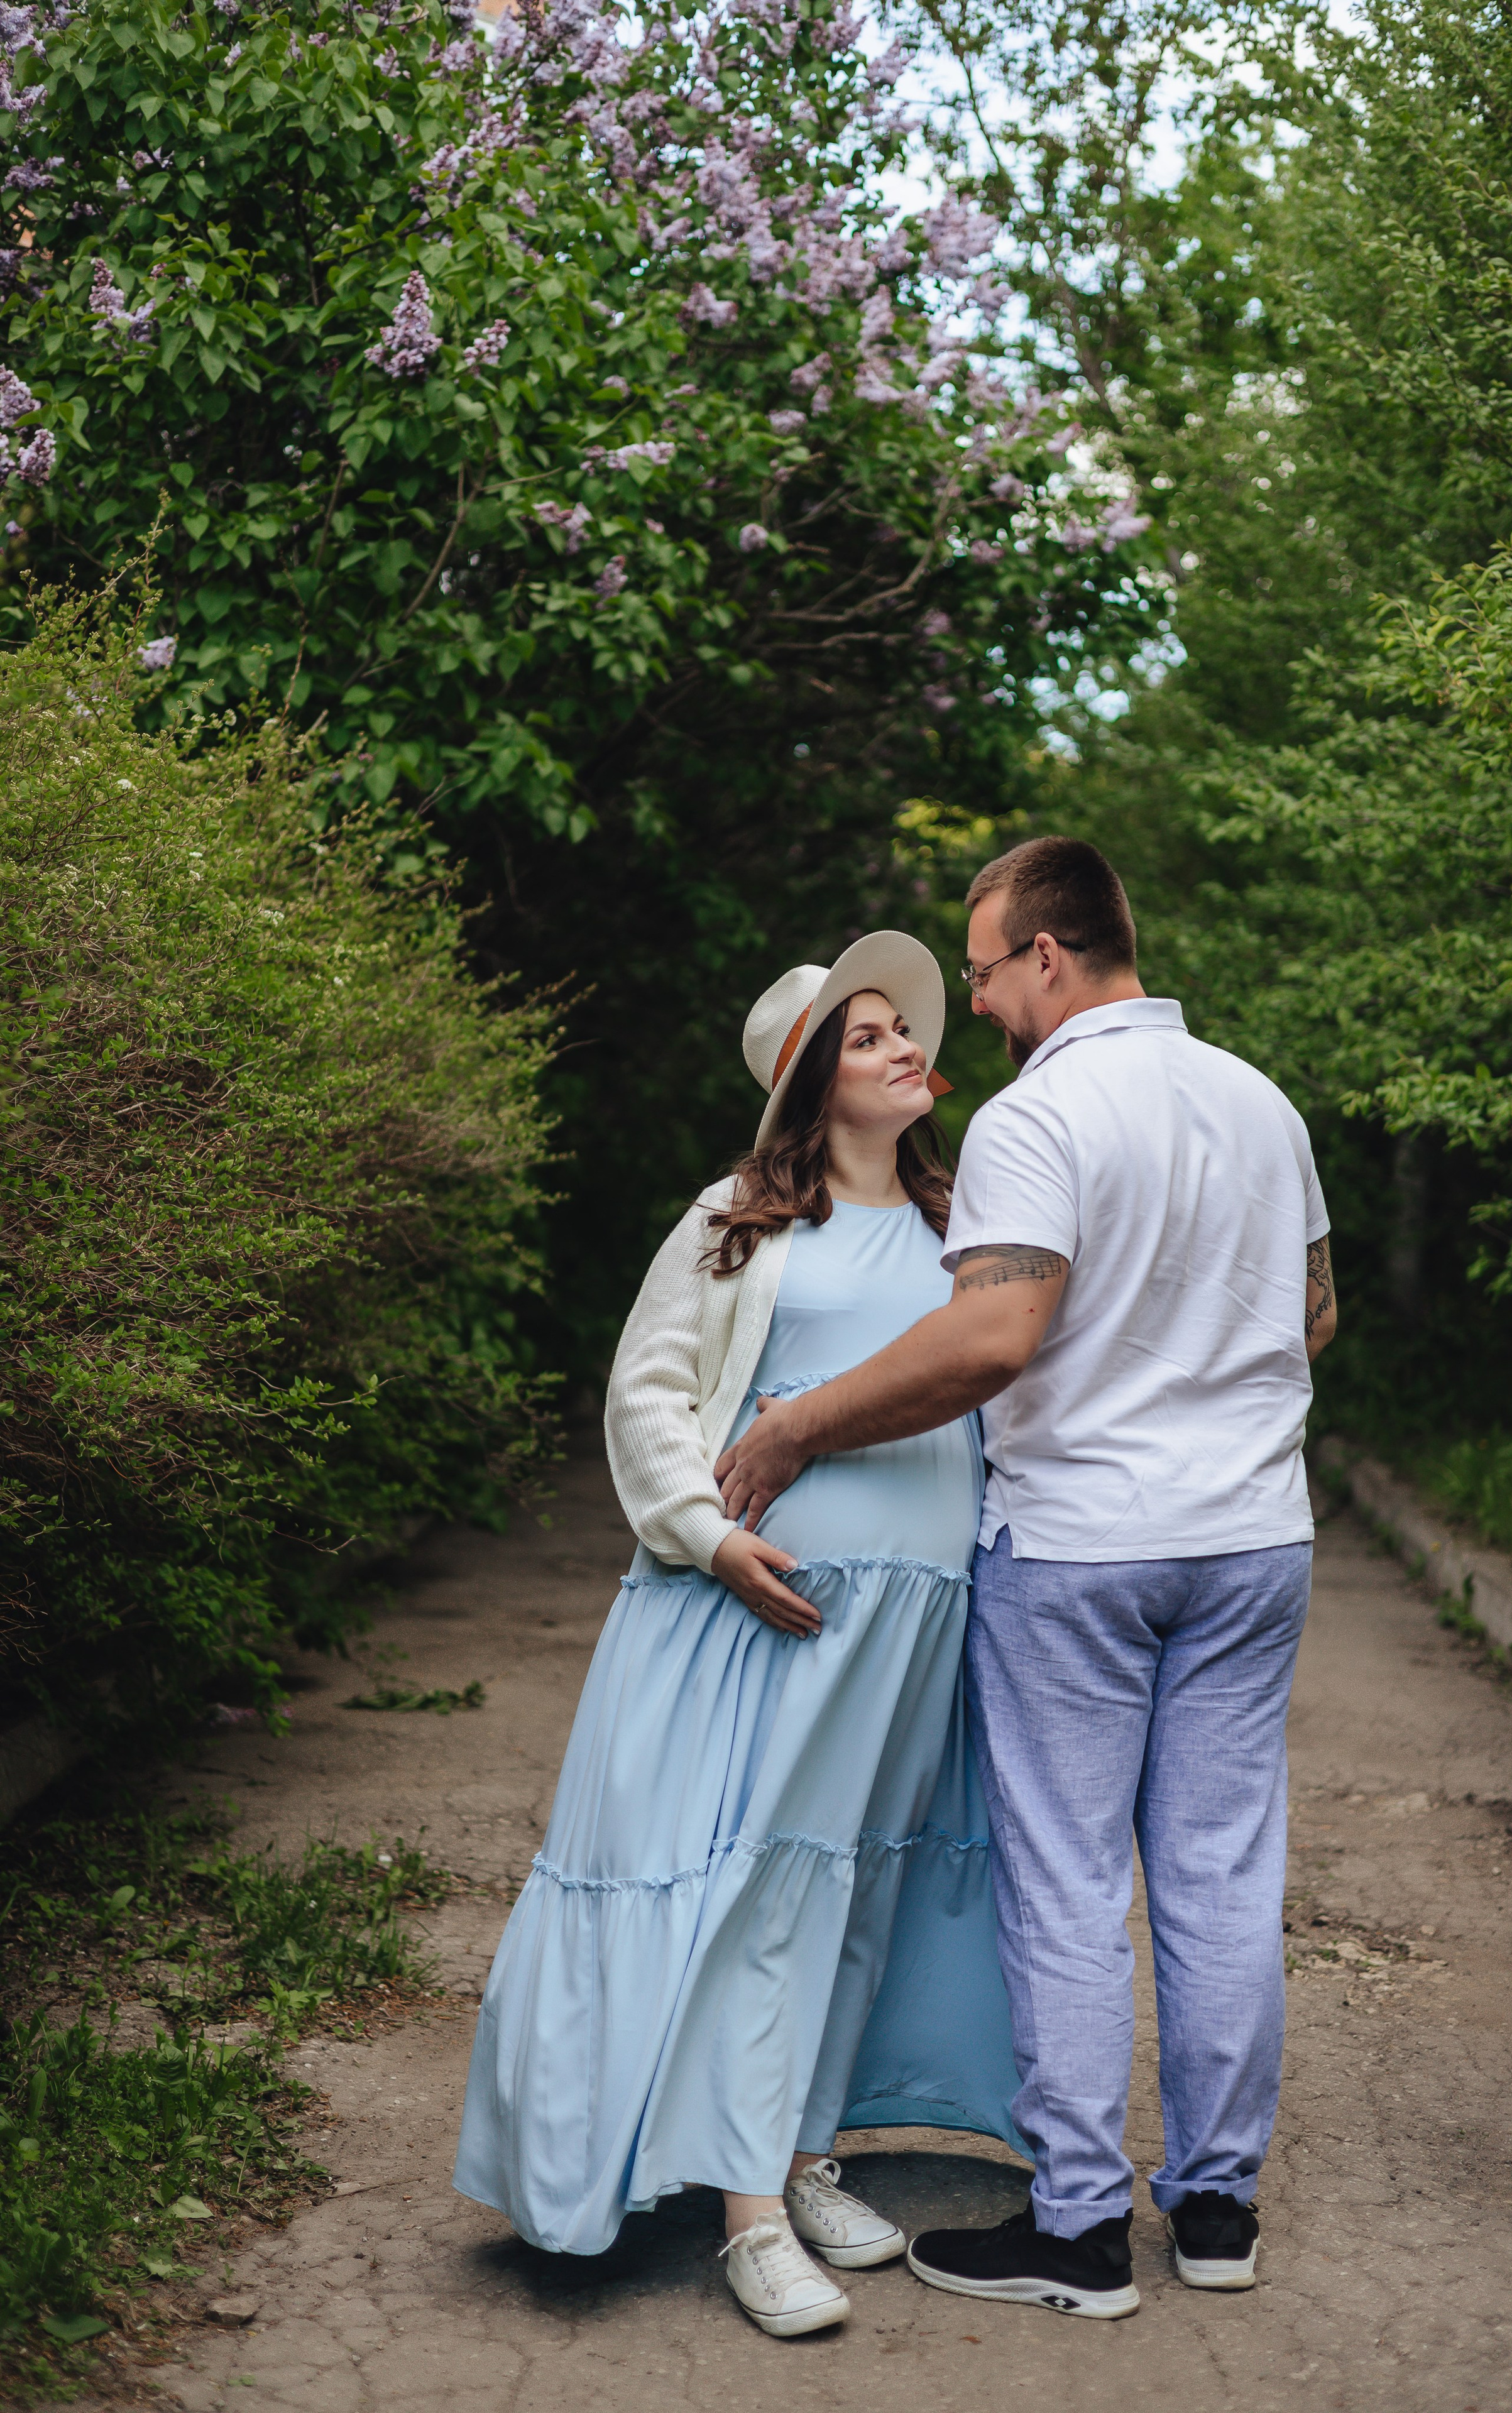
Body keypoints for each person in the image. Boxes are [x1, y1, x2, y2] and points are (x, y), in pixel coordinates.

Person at [718, 837, 1337, 2321]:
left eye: (985, 968)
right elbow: (1311, 1316)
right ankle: (1213, 2212)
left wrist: (797, 1422)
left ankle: (1072, 2233)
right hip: (1253, 1537)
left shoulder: (1036, 1113)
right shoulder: (1259, 1101)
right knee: (1219, 1871)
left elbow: (988, 1342)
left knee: (1064, 1881)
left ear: (1046, 957)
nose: (977, 1001)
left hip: (1079, 1548)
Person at [453, 931, 1021, 2341]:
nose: (902, 1047)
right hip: (764, 1610)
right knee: (763, 1891)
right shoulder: (741, 1218)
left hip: (918, 1616)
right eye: (866, 1034)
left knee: (853, 1892)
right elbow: (646, 1397)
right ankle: (748, 2222)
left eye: (906, 1030)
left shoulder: (974, 1227)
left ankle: (794, 2150)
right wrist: (708, 1537)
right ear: (807, 1081)